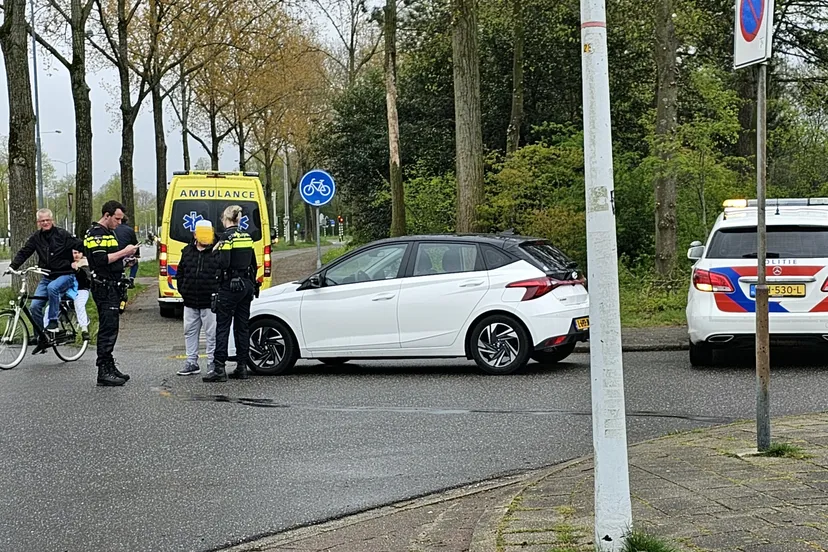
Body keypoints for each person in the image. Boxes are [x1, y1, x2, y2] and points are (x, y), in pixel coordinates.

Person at [8, 208, 83, 355]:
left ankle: (53, 321)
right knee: (34, 306)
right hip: (48, 275)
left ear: (52, 220)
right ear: (38, 223)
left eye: (47, 220)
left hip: (65, 274)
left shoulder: (62, 234)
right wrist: (13, 266)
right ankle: (42, 337)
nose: (45, 223)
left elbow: (80, 245)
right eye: (42, 221)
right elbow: (25, 251)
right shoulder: (36, 237)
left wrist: (83, 262)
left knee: (52, 288)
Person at [84, 200, 139, 387]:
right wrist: (124, 252)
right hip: (104, 287)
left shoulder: (109, 233)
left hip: (113, 285)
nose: (119, 223)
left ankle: (109, 365)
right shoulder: (96, 234)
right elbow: (100, 260)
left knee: (112, 327)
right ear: (106, 215)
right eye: (117, 219)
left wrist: (125, 261)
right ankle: (103, 371)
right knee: (107, 329)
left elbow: (112, 260)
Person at [203, 205, 258, 382]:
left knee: (223, 326)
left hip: (229, 287)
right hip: (246, 285)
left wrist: (216, 252)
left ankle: (219, 369)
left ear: (225, 219)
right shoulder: (247, 236)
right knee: (242, 327)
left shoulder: (226, 238)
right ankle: (241, 367)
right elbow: (253, 263)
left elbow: (224, 263)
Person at [175, 219, 220, 376]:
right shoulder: (187, 251)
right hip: (190, 301)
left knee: (211, 333)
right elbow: (180, 272)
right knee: (190, 331)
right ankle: (191, 362)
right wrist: (183, 290)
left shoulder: (218, 251)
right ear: (194, 234)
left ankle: (212, 363)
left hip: (210, 301)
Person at [41, 250, 92, 343]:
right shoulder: (67, 264)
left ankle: (84, 329)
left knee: (79, 304)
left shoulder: (85, 263)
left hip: (81, 289)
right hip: (68, 290)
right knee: (50, 306)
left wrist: (78, 270)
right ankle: (46, 329)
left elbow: (86, 278)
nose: (76, 255)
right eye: (74, 253)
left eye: (78, 253)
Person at [114, 215, 140, 288]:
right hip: (126, 254)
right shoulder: (130, 230)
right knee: (135, 263)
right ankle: (131, 279)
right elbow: (135, 243)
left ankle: (120, 276)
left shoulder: (113, 229)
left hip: (115, 254)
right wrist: (137, 254)